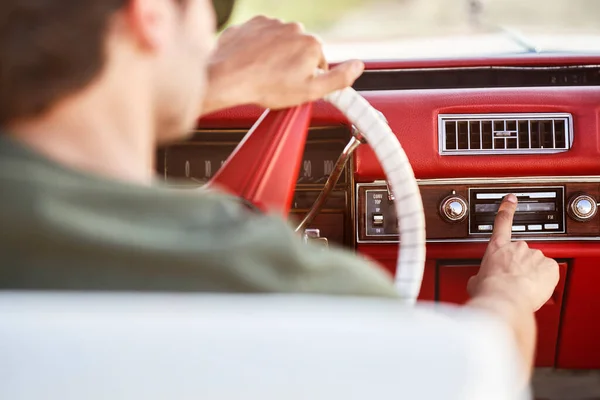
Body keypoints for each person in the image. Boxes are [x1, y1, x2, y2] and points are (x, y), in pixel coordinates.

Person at [0, 0, 558, 382]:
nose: (213, 34)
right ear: (150, 16)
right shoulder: (274, 281)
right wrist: (506, 293)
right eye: (211, 10)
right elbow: (480, 370)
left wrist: (197, 84)